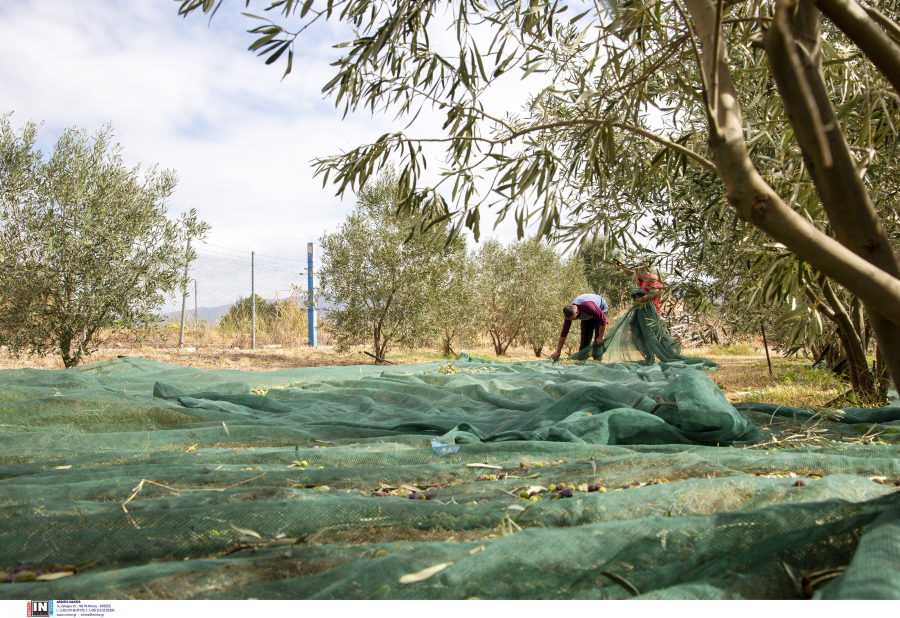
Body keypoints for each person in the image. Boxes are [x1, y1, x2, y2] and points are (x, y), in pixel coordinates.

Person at [549, 293, 609, 361]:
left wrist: (601, 336)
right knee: (584, 340)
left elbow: (603, 319)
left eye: (572, 318)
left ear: (577, 312)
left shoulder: (588, 307)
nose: (570, 320)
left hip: (600, 308)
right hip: (587, 314)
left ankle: (597, 361)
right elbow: (564, 332)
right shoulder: (569, 313)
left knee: (598, 341)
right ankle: (582, 361)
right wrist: (558, 351)